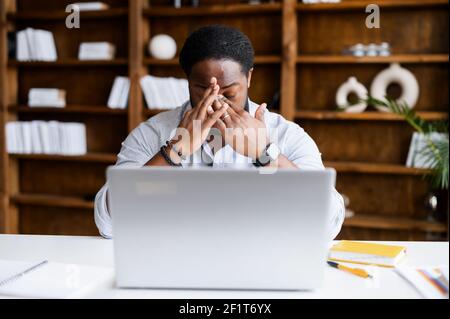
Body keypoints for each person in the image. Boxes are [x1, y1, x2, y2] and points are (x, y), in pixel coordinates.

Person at [95, 24, 345, 239]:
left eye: (228, 92)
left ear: (249, 78)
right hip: (174, 263)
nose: (215, 102)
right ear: (187, 82)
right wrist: (174, 151)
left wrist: (266, 154)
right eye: (202, 89)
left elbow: (327, 224)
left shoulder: (286, 134)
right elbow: (109, 222)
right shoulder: (151, 133)